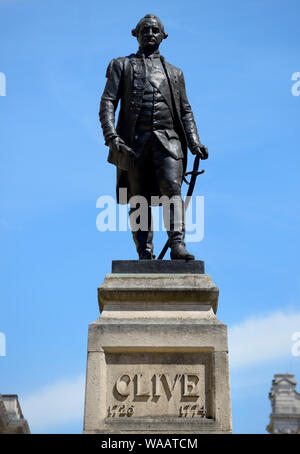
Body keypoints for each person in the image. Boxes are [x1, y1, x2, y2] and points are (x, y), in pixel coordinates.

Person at [99, 14, 208, 260]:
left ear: (163, 35)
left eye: (155, 30)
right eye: (145, 30)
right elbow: (108, 101)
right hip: (134, 143)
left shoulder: (175, 73)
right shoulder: (121, 65)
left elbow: (185, 110)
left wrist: (194, 142)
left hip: (169, 142)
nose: (150, 34)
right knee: (138, 199)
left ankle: (177, 244)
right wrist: (111, 136)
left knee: (172, 189)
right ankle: (144, 253)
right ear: (136, 34)